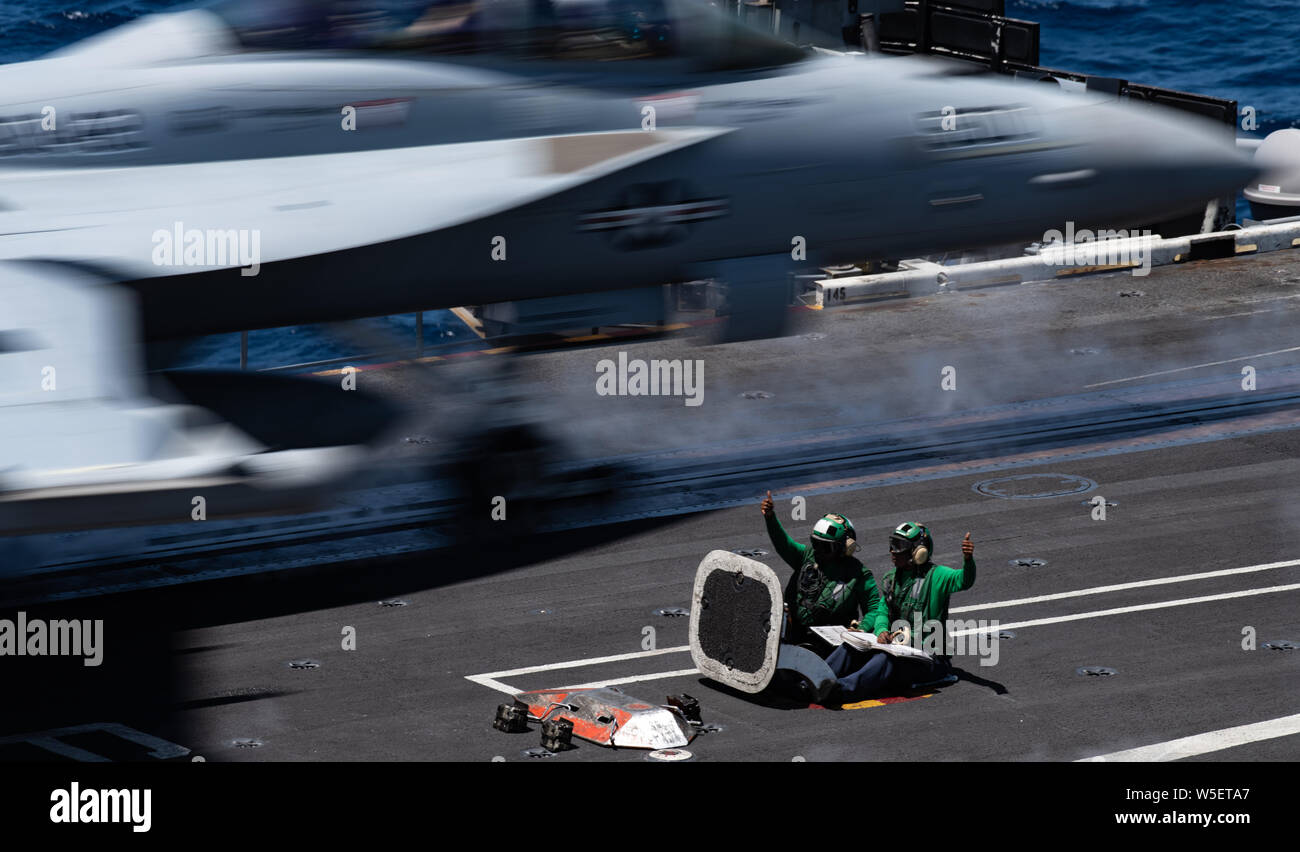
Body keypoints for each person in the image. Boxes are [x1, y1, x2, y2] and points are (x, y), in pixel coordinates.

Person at [824, 522, 976, 703]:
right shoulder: (891, 578)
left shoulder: (938, 576)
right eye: (892, 545)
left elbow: (964, 581)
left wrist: (968, 561)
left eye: (899, 547)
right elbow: (882, 610)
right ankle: (817, 678)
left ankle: (841, 690)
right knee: (852, 646)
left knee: (885, 659)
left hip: (930, 659)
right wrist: (881, 631)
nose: (892, 552)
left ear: (918, 552)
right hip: (898, 647)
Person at [759, 490, 884, 647]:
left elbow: (874, 609)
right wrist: (770, 517)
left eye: (826, 546)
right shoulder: (807, 556)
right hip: (793, 632)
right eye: (815, 543)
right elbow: (783, 544)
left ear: (845, 547)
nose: (818, 550)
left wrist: (862, 628)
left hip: (830, 643)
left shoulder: (859, 574)